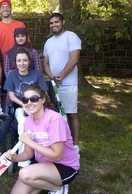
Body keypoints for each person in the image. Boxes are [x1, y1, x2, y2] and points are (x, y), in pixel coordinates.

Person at [4, 83, 80, 194]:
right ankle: (50, 184)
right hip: (44, 165)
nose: (29, 103)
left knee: (24, 174)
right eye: (25, 99)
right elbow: (29, 153)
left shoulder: (54, 119)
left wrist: (31, 142)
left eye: (34, 99)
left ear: (43, 99)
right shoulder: (28, 122)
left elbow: (57, 156)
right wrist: (15, 158)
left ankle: (57, 188)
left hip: (64, 166)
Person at [43, 13, 81, 156]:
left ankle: (75, 146)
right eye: (51, 23)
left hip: (68, 83)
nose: (54, 25)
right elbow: (45, 63)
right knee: (55, 115)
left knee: (71, 114)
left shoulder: (72, 37)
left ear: (63, 22)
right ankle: (59, 144)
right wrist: (53, 78)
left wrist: (61, 76)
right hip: (54, 84)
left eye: (56, 22)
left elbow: (74, 60)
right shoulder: (48, 42)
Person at [3, 47, 48, 167]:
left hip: (37, 106)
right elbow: (11, 96)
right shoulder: (12, 74)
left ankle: (44, 154)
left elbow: (44, 93)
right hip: (20, 106)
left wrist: (35, 106)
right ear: (15, 62)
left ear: (29, 61)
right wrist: (25, 105)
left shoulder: (37, 74)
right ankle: (24, 162)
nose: (22, 63)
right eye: (19, 61)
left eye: (24, 60)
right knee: (24, 123)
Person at [0, 0, 29, 116]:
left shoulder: (20, 25)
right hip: (3, 64)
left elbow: (27, 45)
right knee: (4, 93)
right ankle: (6, 115)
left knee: (23, 90)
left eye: (7, 7)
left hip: (21, 63)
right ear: (0, 10)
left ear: (11, 8)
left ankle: (24, 113)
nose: (5, 9)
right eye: (3, 7)